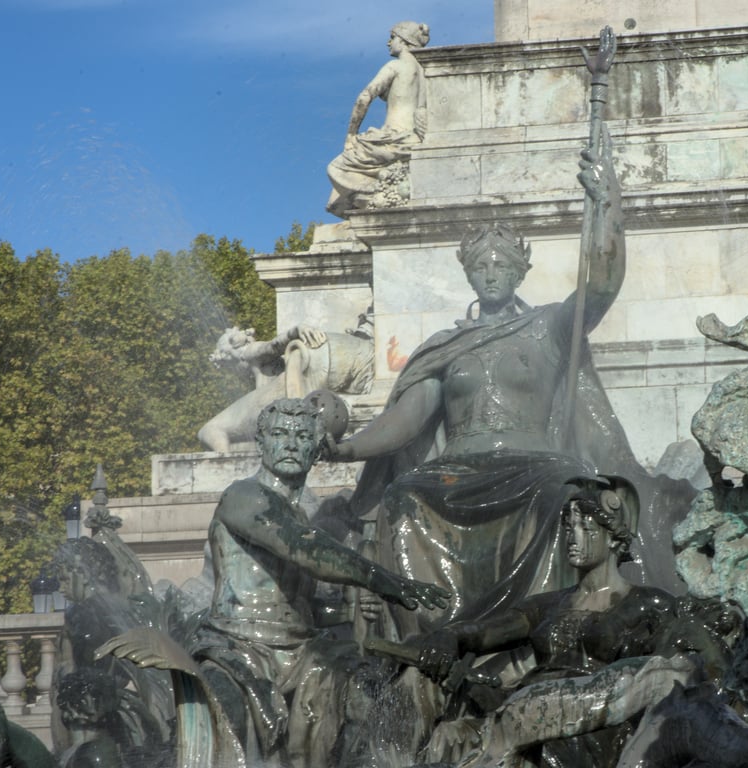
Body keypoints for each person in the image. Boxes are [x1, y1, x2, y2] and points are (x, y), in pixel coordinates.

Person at [327, 127, 679, 641]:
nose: (491, 273)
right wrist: (347, 448)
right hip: (457, 470)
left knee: (561, 496)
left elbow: (602, 283)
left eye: (502, 265)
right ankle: (428, 635)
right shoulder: (447, 347)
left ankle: (539, 633)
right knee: (404, 497)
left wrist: (607, 202)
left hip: (534, 463)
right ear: (469, 275)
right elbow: (406, 420)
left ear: (520, 272)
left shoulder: (550, 328)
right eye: (481, 266)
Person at [190, 396, 449, 768]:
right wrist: (383, 580)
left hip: (301, 650)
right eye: (279, 434)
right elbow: (302, 548)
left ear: (317, 450)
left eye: (301, 436)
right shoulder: (243, 496)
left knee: (372, 700)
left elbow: (296, 604)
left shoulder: (298, 513)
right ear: (261, 443)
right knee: (225, 715)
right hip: (238, 646)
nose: (291, 444)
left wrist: (352, 606)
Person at [409, 476, 693, 768]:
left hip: (591, 726)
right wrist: (449, 636)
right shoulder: (548, 604)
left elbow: (673, 675)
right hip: (526, 712)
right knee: (449, 737)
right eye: (569, 528)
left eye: (586, 528)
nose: (572, 537)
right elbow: (484, 632)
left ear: (613, 537)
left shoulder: (649, 602)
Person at [199, 323, 374, 452]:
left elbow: (273, 345)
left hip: (310, 362)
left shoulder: (248, 354)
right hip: (324, 360)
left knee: (208, 430)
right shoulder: (264, 374)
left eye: (230, 365)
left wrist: (296, 331)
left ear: (232, 354)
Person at [326, 21, 430, 217]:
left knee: (336, 167)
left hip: (392, 139)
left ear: (405, 40)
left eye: (393, 37)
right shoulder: (427, 72)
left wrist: (351, 134)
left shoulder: (396, 66)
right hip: (414, 139)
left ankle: (378, 197)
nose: (388, 43)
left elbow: (364, 98)